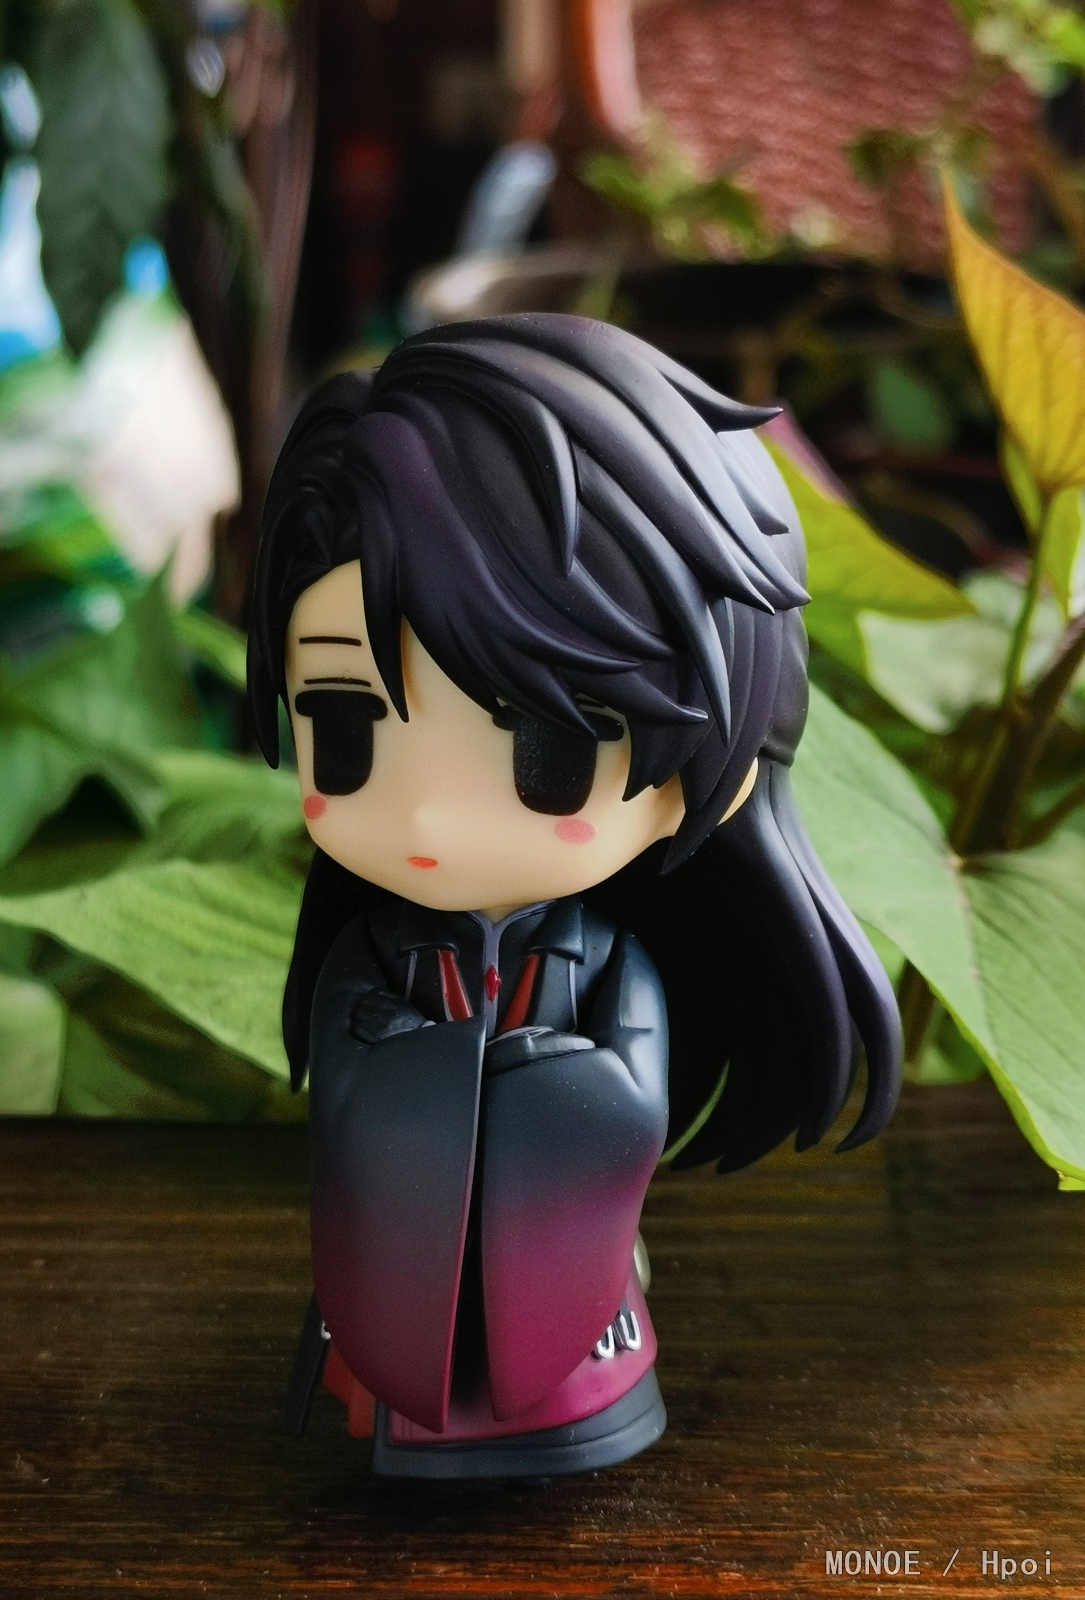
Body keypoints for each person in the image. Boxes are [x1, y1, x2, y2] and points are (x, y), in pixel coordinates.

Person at [247, 313, 902, 1479]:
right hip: (399, 1278)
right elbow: (350, 1079)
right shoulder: (381, 952)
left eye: (546, 751)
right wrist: (403, 1072)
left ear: (718, 768)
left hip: (564, 1286)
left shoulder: (605, 965)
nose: (429, 820)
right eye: (344, 730)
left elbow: (628, 1095)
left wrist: (559, 1088)